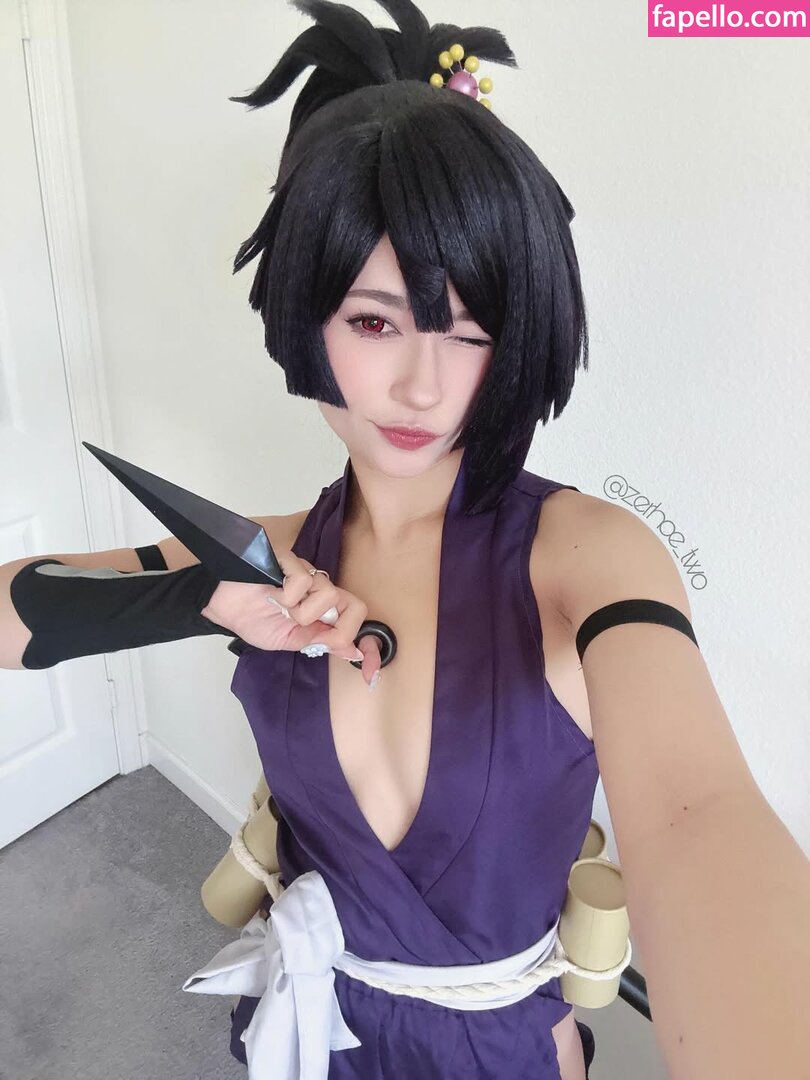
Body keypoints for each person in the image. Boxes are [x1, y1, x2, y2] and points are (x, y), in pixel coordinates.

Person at [2, 1, 808, 1078]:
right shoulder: (268, 556)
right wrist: (194, 597)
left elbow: (699, 817)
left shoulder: (589, 559)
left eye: (472, 332)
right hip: (315, 1032)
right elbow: (10, 612)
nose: (424, 386)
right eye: (376, 321)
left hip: (502, 1052)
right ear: (307, 314)